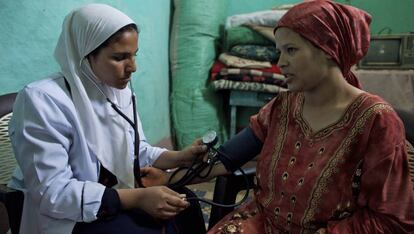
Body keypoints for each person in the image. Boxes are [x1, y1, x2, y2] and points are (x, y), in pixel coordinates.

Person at [143, 1, 414, 233]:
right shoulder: (282, 107)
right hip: (261, 223)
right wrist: (168, 178)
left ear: (328, 48)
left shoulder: (376, 122)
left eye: (291, 50)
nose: (280, 62)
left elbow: (391, 219)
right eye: (279, 50)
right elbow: (227, 157)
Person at [8, 3, 207, 234]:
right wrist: (138, 197)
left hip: (118, 195)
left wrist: (179, 158)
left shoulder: (119, 93)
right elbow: (53, 193)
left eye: (134, 55)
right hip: (68, 216)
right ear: (85, 54)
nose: (132, 67)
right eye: (119, 57)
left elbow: (134, 150)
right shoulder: (42, 101)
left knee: (187, 204)